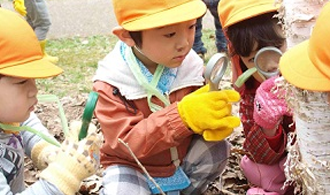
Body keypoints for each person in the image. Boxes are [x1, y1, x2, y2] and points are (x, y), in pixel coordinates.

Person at [92, 0, 241, 194]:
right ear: (127, 36)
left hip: (180, 160)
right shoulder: (113, 82)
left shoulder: (192, 68)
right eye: (170, 34)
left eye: (191, 27)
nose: (184, 43)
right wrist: (181, 117)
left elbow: (199, 117)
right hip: (133, 165)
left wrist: (213, 119)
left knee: (216, 150)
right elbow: (126, 144)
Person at [0, 8, 101, 194]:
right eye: (22, 81)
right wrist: (65, 174)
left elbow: (23, 122)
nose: (34, 90)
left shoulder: (6, 116)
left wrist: (47, 152)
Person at [218, 0, 295, 194]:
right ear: (240, 62)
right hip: (286, 161)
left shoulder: (319, 74)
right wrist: (267, 126)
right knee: (255, 168)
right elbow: (258, 155)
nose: (269, 66)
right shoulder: (253, 93)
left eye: (277, 46)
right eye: (252, 59)